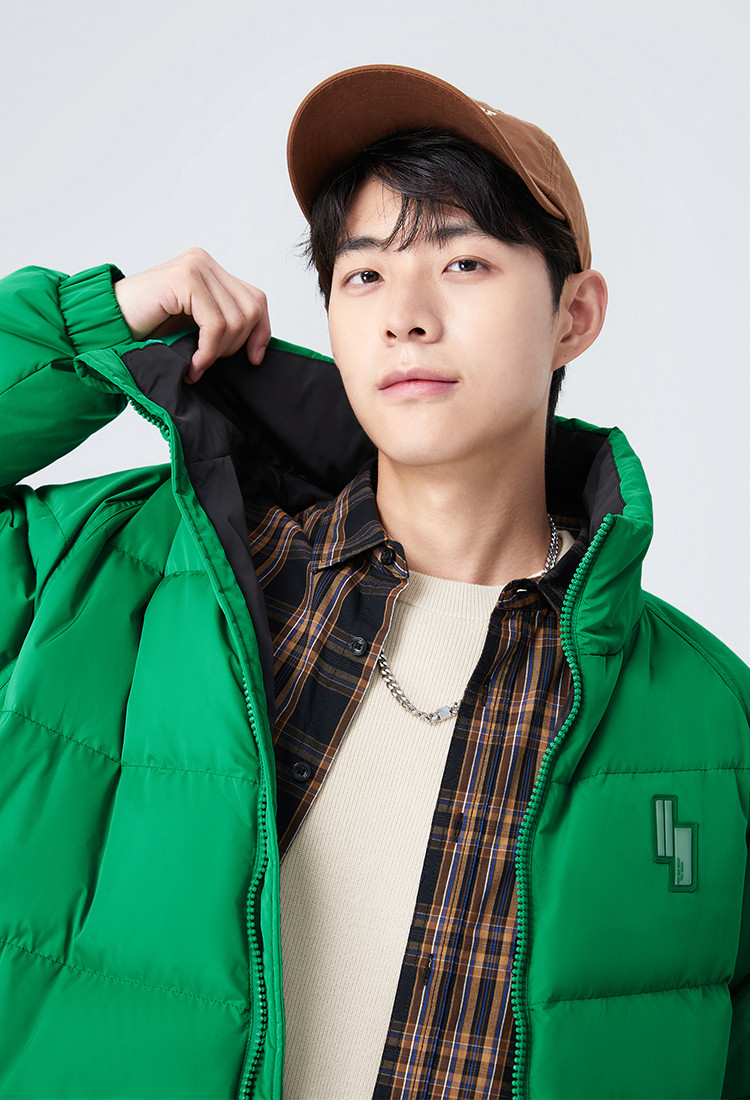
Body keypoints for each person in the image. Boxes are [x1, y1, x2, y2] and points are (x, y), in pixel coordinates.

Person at [0, 63, 748, 1100]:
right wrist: (95, 323)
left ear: (574, 316)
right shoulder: (133, 573)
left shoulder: (710, 722)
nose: (406, 315)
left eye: (464, 262)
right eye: (363, 275)